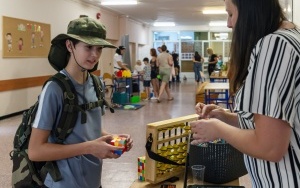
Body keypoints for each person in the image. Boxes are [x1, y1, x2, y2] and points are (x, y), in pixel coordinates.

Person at [191, 0, 300, 187]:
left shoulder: (273, 46)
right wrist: (226, 117)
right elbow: (275, 120)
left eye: (231, 14)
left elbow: (270, 147)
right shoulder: (290, 37)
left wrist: (218, 129)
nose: (229, 23)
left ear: (251, 10)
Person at [28, 16, 133, 188]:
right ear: (70, 46)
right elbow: (35, 151)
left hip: (93, 181)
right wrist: (90, 148)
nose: (94, 55)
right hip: (63, 183)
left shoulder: (97, 84)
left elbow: (90, 130)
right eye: (88, 47)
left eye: (99, 49)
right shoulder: (55, 88)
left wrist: (111, 139)